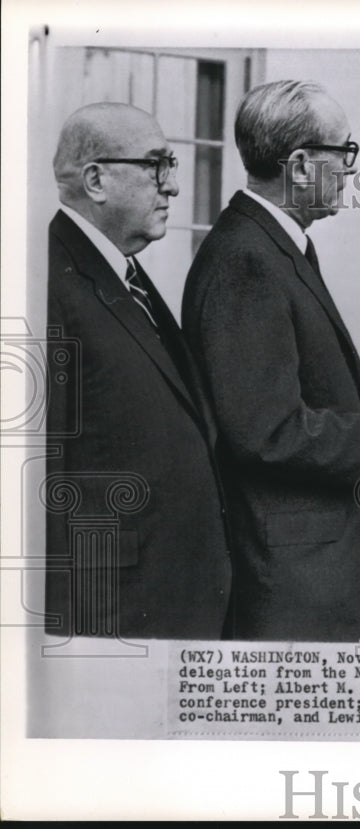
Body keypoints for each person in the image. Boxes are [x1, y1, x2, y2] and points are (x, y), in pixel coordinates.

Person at [182, 80, 360, 643]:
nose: (351, 169)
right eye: (345, 152)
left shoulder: (270, 245)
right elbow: (266, 433)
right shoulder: (248, 261)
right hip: (294, 584)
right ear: (303, 165)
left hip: (316, 573)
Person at [46, 103, 231, 639]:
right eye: (156, 166)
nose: (171, 186)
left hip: (170, 598)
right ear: (96, 180)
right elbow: (37, 476)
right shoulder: (45, 281)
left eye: (170, 165)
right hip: (110, 614)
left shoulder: (125, 273)